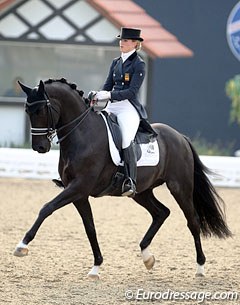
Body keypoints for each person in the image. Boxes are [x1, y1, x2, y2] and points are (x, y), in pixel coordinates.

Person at [92, 27, 156, 197]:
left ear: (135, 44)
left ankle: (130, 181)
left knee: (126, 139)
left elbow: (131, 92)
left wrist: (109, 94)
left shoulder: (139, 64)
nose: (122, 43)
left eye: (126, 41)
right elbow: (107, 84)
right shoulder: (115, 62)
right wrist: (98, 95)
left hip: (128, 106)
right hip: (112, 103)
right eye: (121, 40)